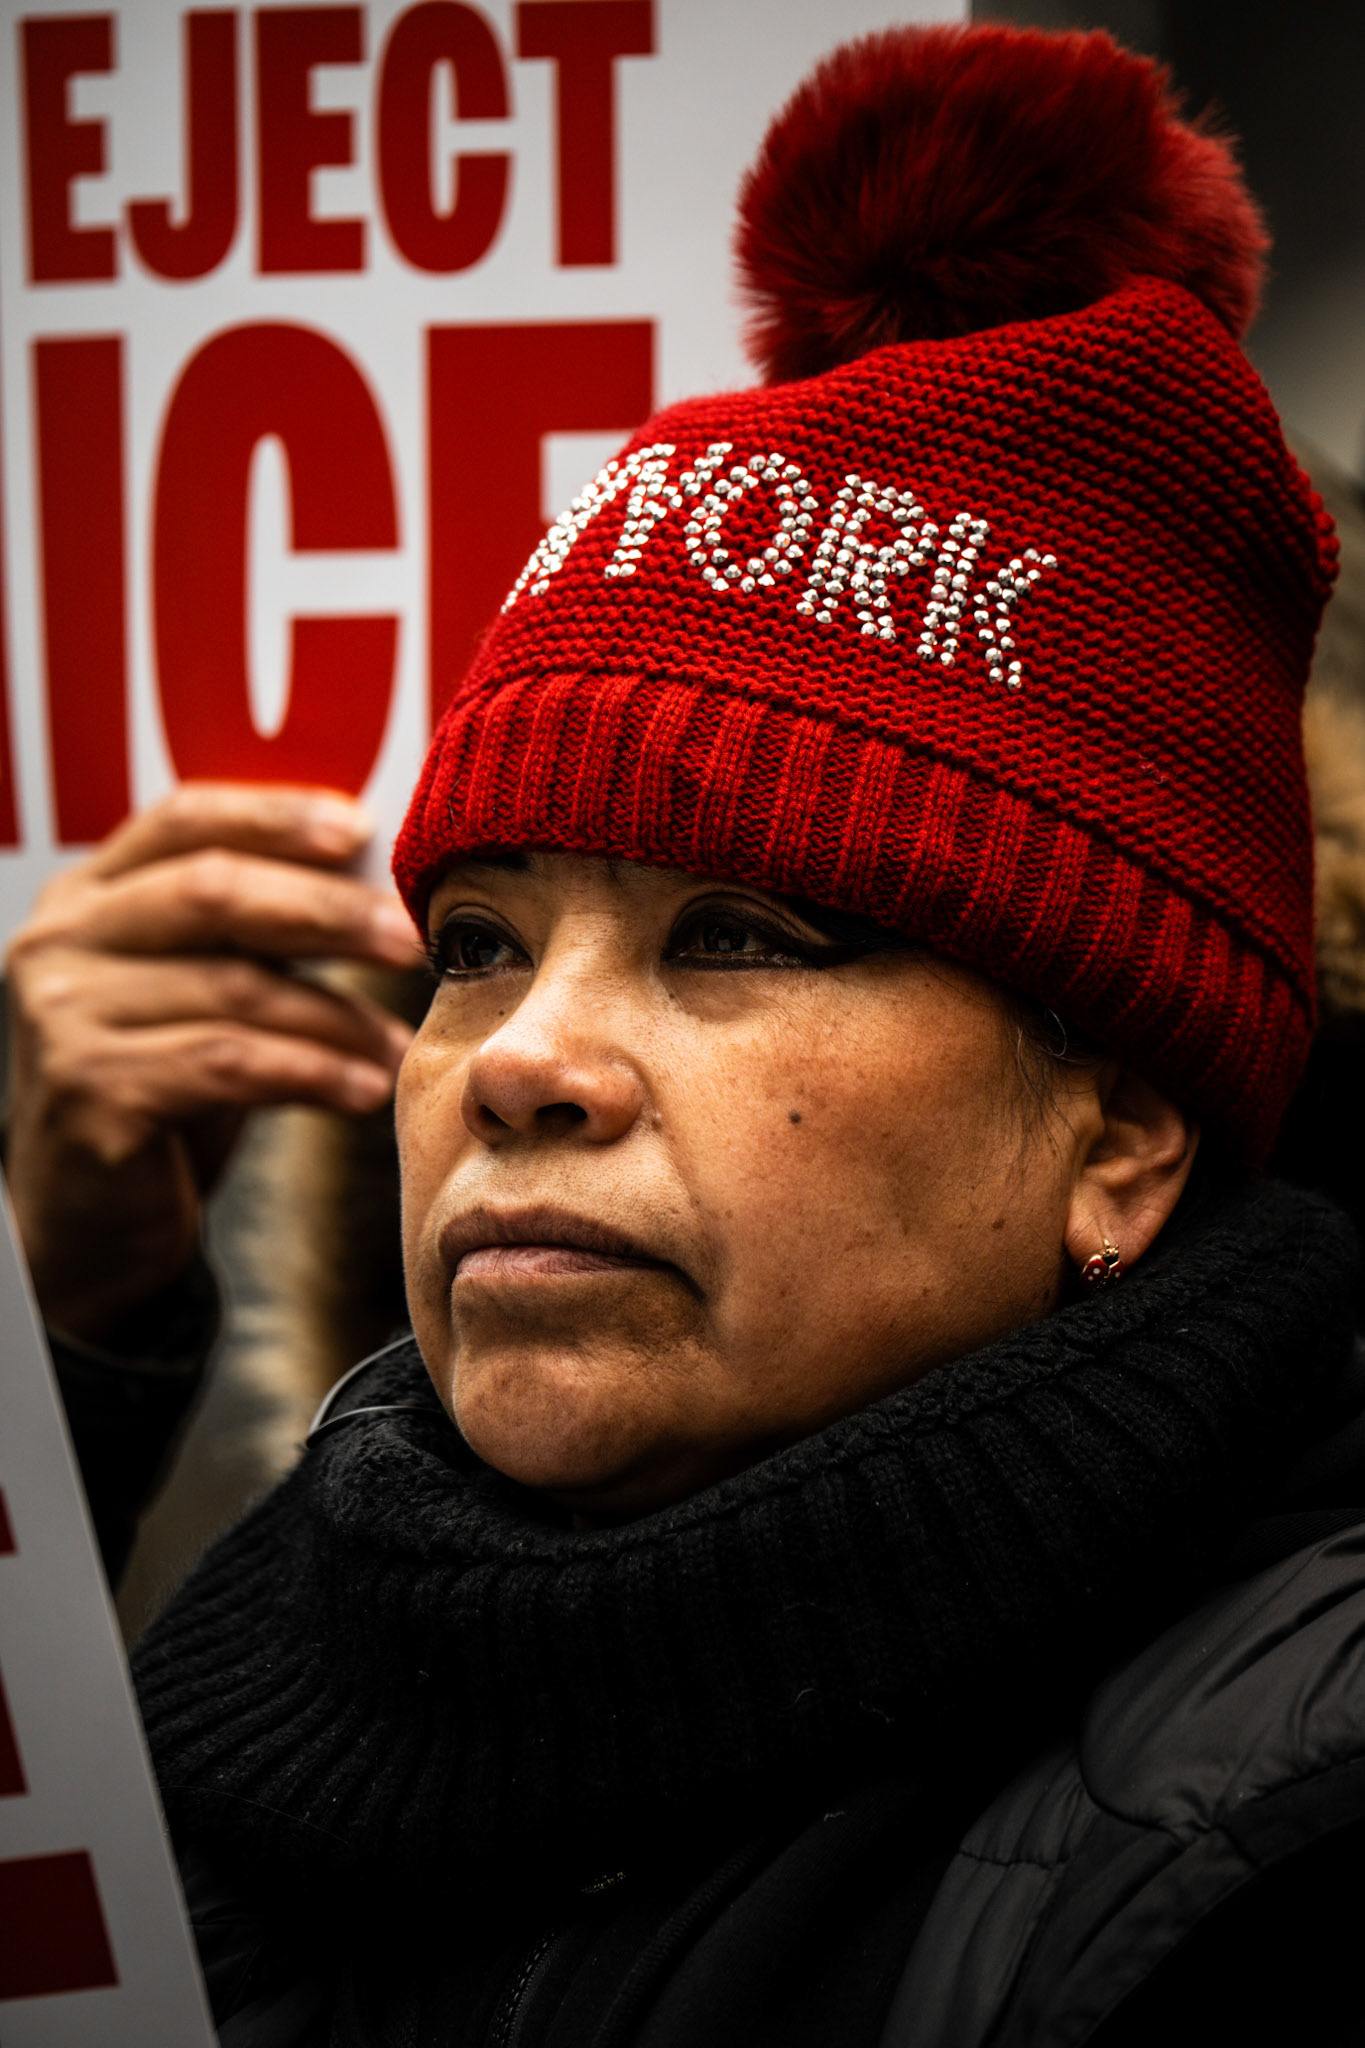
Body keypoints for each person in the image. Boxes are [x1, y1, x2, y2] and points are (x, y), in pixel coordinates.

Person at [10, 23, 1365, 2045]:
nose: (518, 1061)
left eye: (736, 935)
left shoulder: (1281, 1841)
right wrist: (56, 1344)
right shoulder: (253, 1676)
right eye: (470, 942)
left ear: (1114, 1132)